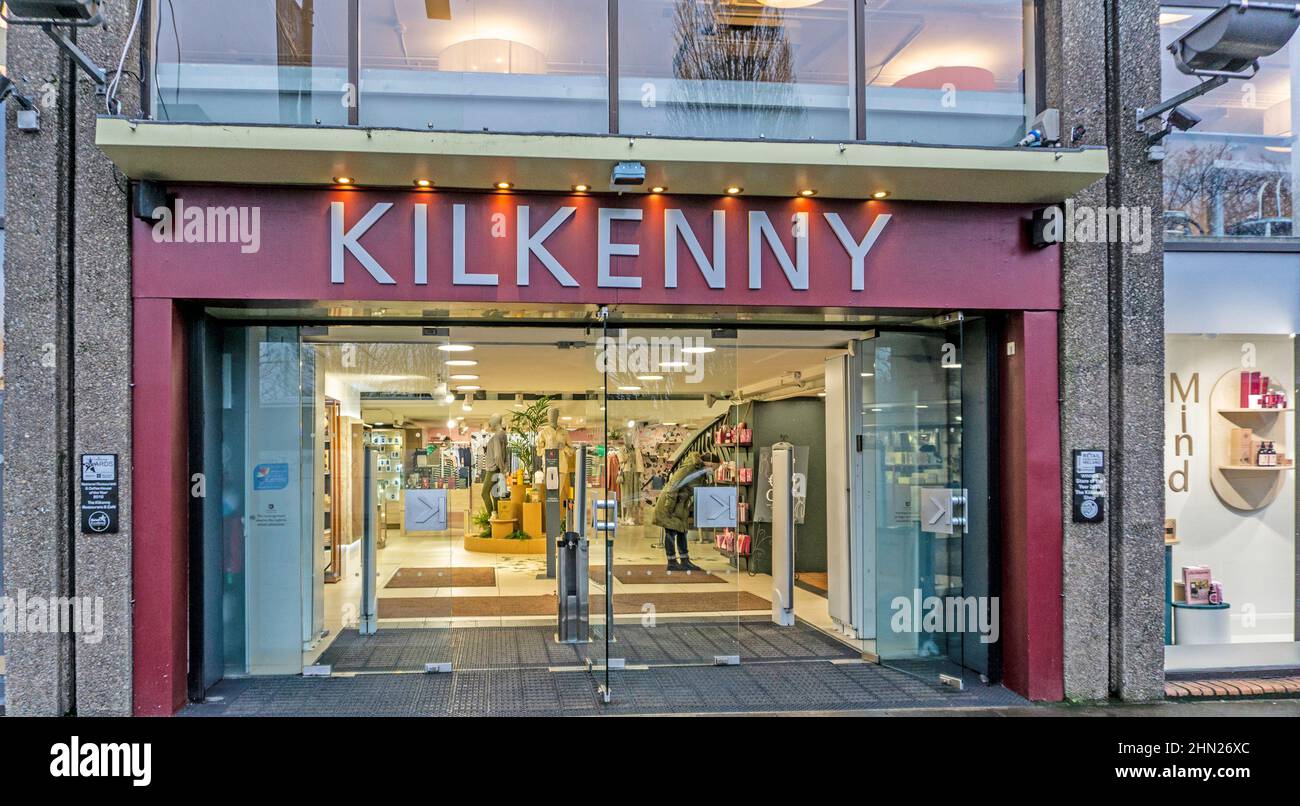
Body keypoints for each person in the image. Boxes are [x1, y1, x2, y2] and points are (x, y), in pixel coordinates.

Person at [652, 450, 717, 571]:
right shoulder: (689, 467)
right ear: (708, 463)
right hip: (672, 503)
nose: (713, 471)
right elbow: (674, 485)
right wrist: (668, 508)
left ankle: (684, 560)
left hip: (680, 505)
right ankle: (672, 561)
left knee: (682, 531)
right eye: (713, 468)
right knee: (671, 532)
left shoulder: (699, 471)